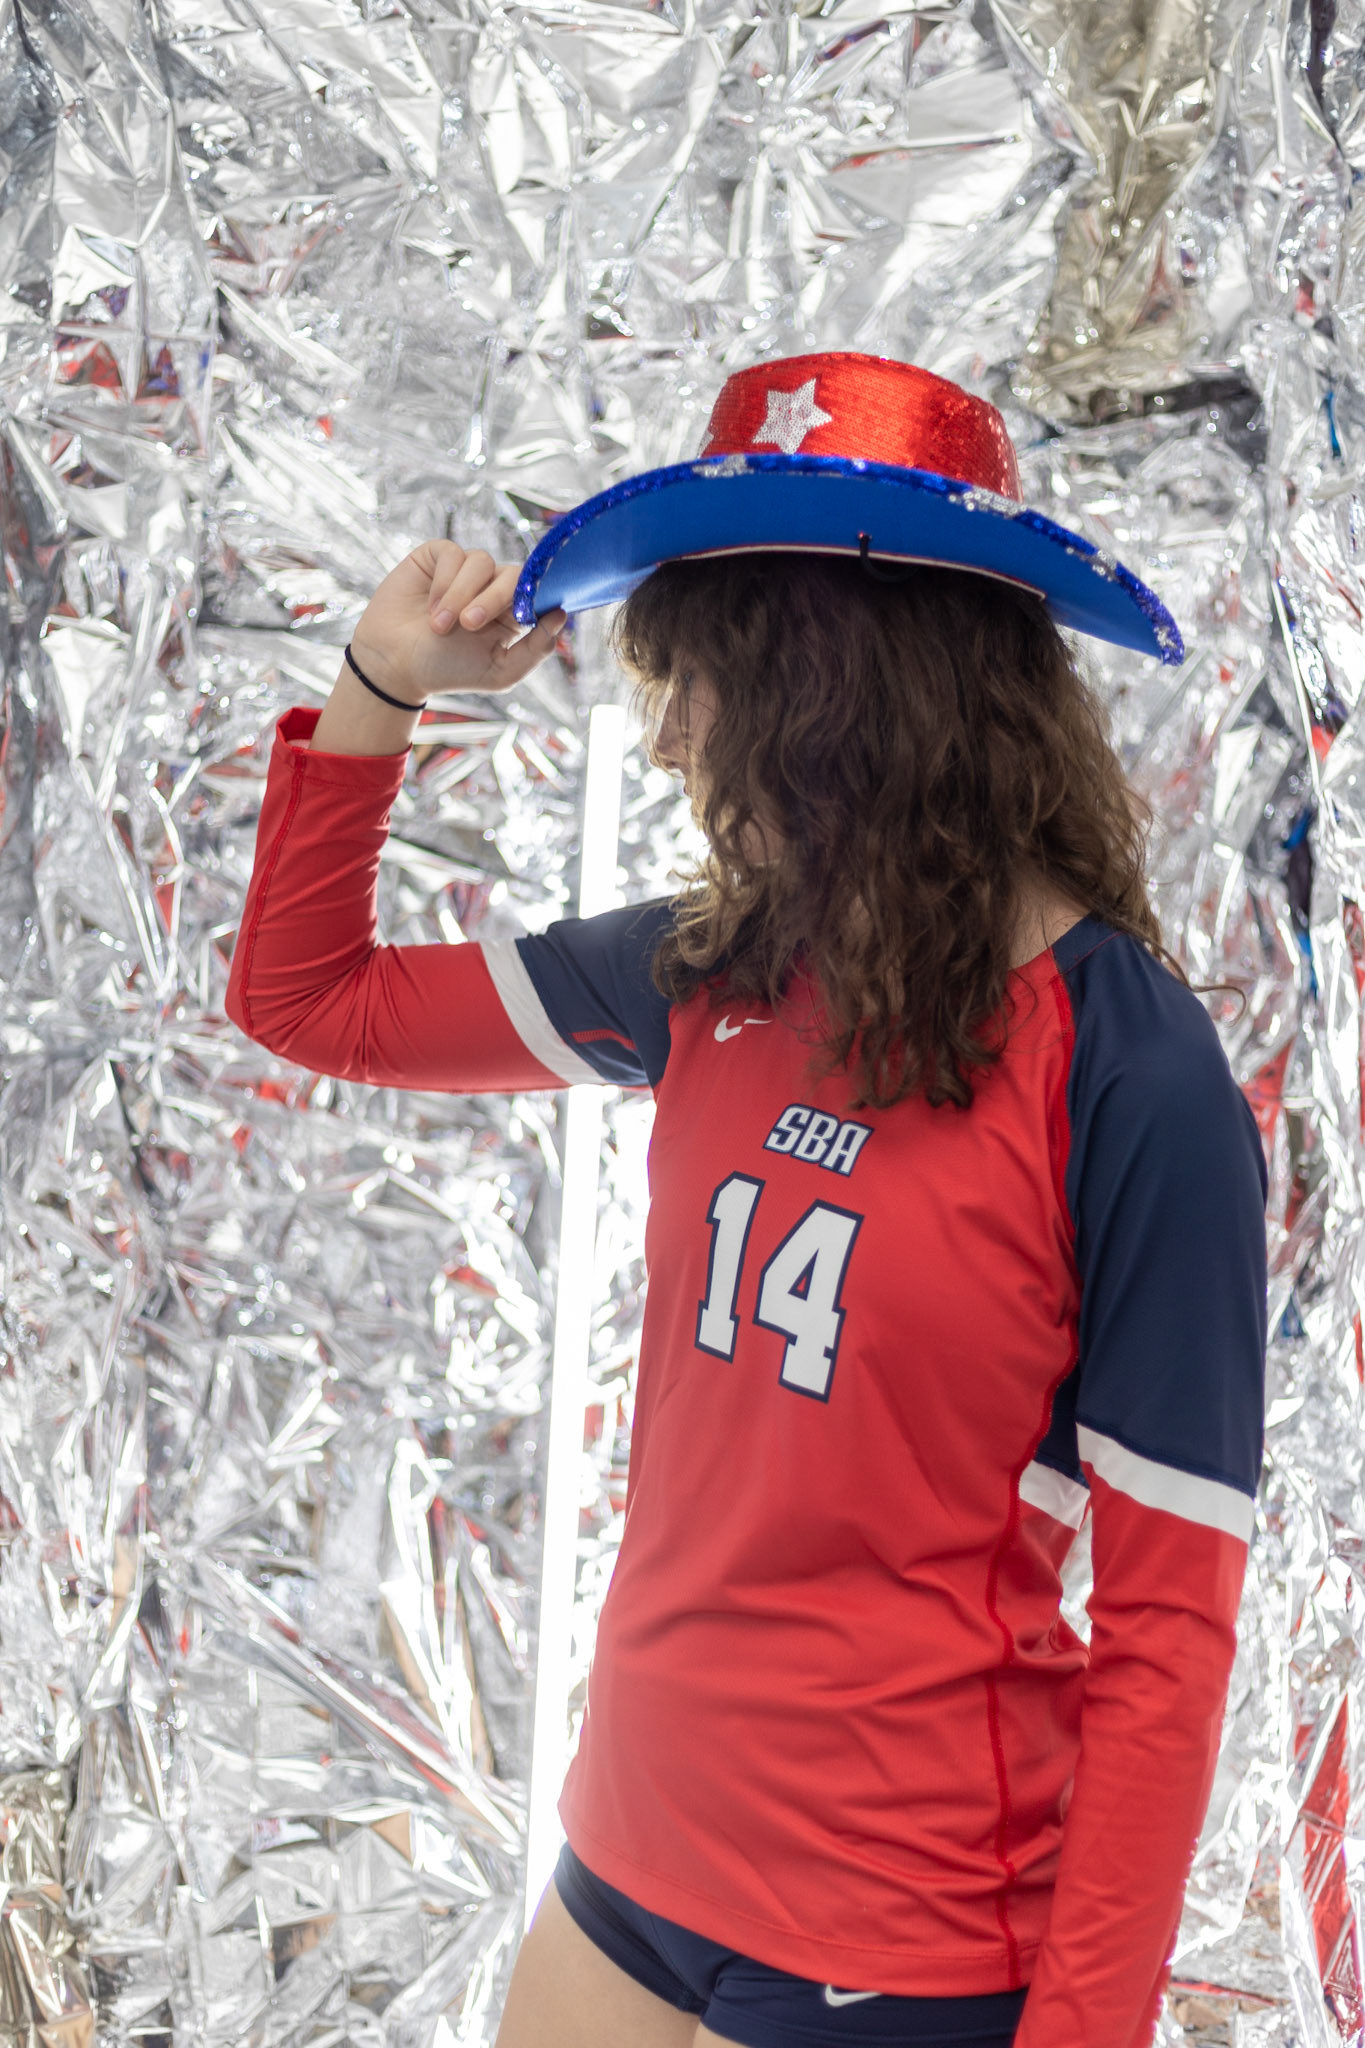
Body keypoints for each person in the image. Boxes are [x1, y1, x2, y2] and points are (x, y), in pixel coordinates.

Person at [225, 352, 1268, 2048]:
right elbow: (307, 998)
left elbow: (1167, 1630)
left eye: (696, 682)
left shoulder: (1126, 1076)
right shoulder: (704, 971)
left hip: (900, 1943)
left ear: (834, 688)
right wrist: (378, 686)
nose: (662, 737)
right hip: (626, 1863)